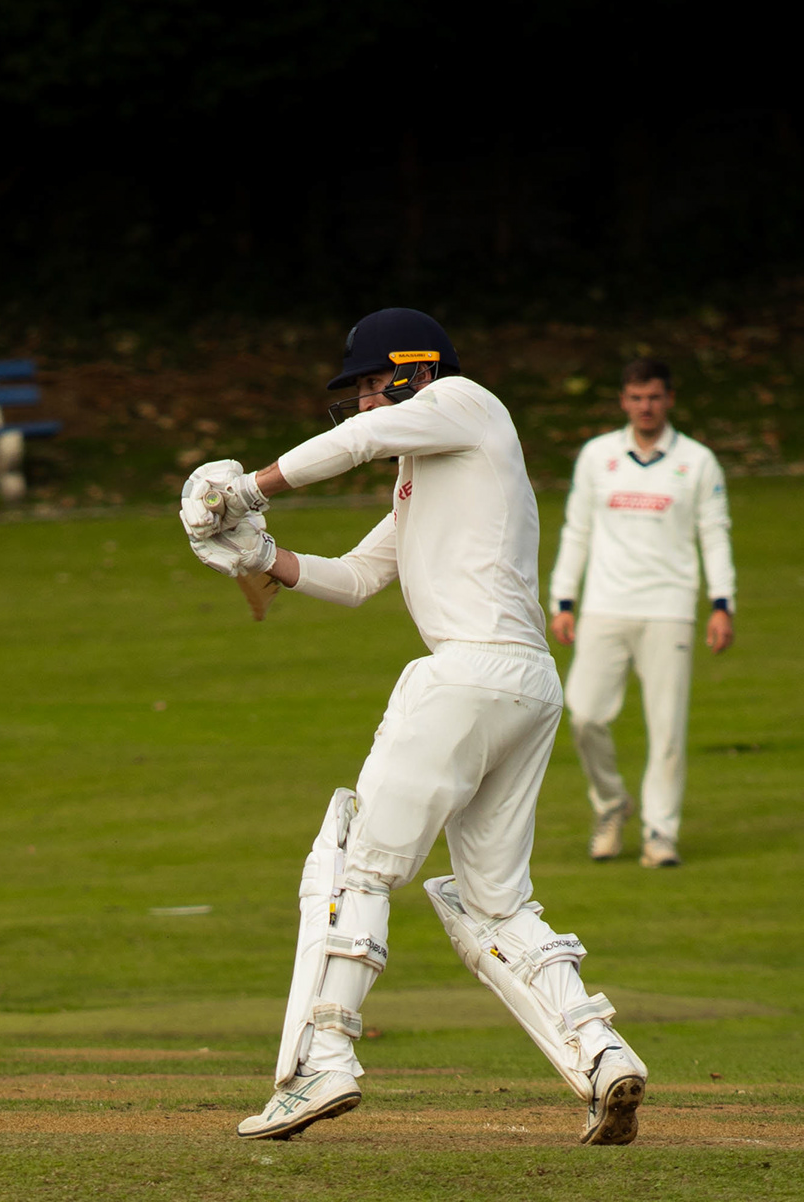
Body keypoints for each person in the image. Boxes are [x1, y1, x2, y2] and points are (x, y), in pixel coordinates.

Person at [180, 307, 647, 1145]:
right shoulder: (426, 473)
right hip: (526, 687)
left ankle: (323, 1059)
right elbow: (358, 578)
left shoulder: (469, 402)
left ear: (412, 371)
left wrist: (244, 489)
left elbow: (355, 444)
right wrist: (262, 559)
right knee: (494, 904)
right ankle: (601, 1051)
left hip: (465, 674)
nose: (362, 406)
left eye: (369, 385)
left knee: (354, 865)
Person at [548, 359, 735, 868]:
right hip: (605, 604)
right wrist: (563, 599)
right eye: (635, 397)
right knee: (583, 713)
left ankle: (660, 832)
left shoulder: (696, 461)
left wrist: (723, 603)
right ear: (623, 401)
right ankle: (611, 807)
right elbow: (577, 529)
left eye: (653, 397)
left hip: (669, 607)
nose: (645, 407)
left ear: (669, 399)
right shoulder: (598, 456)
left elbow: (714, 533)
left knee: (667, 727)